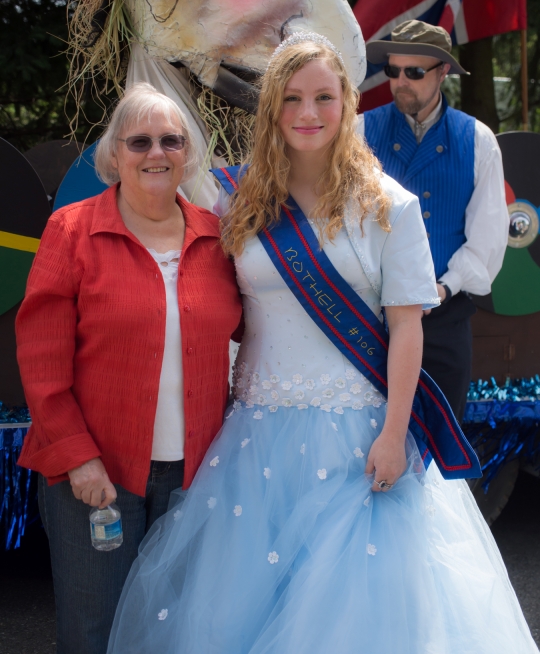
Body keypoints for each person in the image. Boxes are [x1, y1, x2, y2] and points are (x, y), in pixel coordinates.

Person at [107, 36, 538, 654]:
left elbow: (408, 327)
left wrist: (395, 435)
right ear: (273, 110)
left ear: (348, 105)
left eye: (324, 98)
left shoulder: (390, 206)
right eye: (292, 98)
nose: (307, 113)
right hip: (254, 437)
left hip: (360, 438)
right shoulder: (238, 201)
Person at [16, 82, 243, 654]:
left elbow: (258, 336)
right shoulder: (71, 232)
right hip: (96, 480)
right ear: (114, 154)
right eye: (138, 141)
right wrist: (78, 459)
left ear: (188, 153)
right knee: (95, 634)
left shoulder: (217, 239)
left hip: (194, 479)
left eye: (170, 140)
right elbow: (42, 362)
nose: (155, 153)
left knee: (176, 631)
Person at [358, 20, 508, 423]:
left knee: (441, 451)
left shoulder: (477, 140)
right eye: (393, 71)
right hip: (367, 319)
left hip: (443, 322)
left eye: (414, 72)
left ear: (442, 72)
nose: (400, 82)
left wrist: (443, 289)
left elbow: (487, 241)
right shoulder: (357, 134)